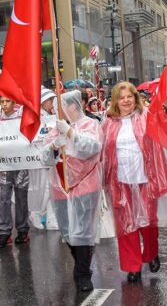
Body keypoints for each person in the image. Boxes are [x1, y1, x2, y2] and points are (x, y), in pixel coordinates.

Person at [101, 82, 167, 282]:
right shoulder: (108, 123)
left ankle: (151, 253)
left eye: (129, 96)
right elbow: (100, 149)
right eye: (121, 97)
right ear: (115, 101)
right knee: (126, 225)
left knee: (148, 221)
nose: (126, 101)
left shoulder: (146, 116)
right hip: (120, 182)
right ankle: (133, 266)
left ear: (135, 98)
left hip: (145, 180)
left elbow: (165, 126)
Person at [40, 90, 103, 292]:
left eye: (60, 107)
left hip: (84, 185)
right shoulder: (55, 128)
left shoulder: (90, 125)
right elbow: (44, 159)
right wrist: (53, 146)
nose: (57, 111)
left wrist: (69, 132)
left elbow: (91, 148)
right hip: (60, 187)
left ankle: (83, 274)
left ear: (73, 107)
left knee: (83, 230)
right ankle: (81, 261)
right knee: (68, 232)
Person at [0, 96, 30, 246]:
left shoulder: (22, 117)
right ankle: (4, 232)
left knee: (21, 198)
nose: (4, 104)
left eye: (7, 101)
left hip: (21, 163)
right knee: (4, 198)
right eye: (2, 102)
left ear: (14, 103)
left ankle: (23, 230)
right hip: (4, 165)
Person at [29, 87, 59, 231]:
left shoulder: (52, 114)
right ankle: (36, 213)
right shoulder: (34, 116)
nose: (52, 103)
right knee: (43, 188)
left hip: (51, 155)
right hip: (38, 157)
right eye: (49, 100)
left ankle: (52, 219)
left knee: (52, 187)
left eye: (52, 100)